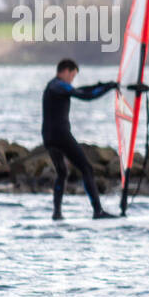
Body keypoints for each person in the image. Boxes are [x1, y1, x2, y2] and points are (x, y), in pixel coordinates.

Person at [42, 58, 118, 220]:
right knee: (87, 169)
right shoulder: (58, 86)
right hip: (61, 135)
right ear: (66, 71)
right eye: (73, 76)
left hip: (48, 137)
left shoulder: (54, 86)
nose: (72, 80)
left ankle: (57, 213)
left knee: (62, 172)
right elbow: (85, 96)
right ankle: (98, 211)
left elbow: (79, 89)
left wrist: (101, 85)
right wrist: (107, 88)